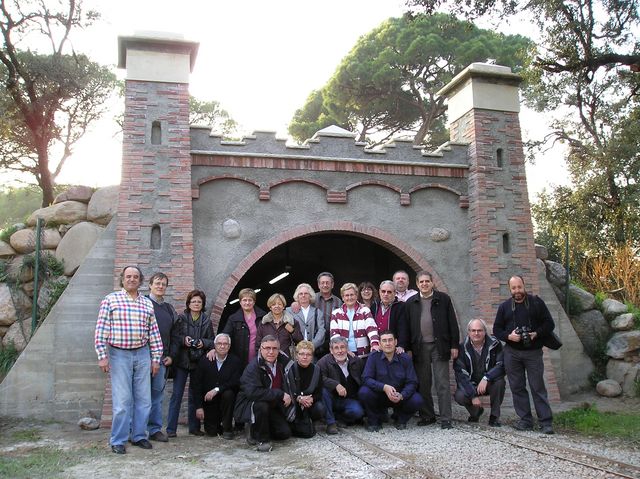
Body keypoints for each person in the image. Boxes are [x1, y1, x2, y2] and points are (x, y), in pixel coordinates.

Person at [94, 265, 162, 454]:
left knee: (144, 399)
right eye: (128, 276)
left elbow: (154, 333)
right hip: (119, 354)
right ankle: (118, 439)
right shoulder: (110, 300)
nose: (132, 279)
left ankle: (139, 435)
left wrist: (155, 359)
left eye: (136, 277)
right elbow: (101, 330)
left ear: (140, 281)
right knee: (123, 401)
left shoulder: (147, 303)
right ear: (122, 279)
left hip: (142, 354)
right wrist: (102, 356)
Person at [493, 275, 556, 434]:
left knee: (537, 387)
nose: (517, 291)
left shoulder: (536, 302)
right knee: (517, 387)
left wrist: (536, 333)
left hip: (533, 352)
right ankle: (525, 420)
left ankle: (546, 422)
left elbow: (550, 324)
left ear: (524, 286)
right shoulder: (504, 307)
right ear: (510, 289)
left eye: (519, 287)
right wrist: (509, 336)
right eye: (513, 288)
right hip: (512, 353)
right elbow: (496, 330)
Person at [405, 271, 460, 429]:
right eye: (421, 282)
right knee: (423, 383)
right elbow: (407, 328)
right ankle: (427, 415)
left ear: (432, 282)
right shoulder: (411, 302)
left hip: (439, 345)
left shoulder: (443, 299)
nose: (424, 284)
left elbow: (452, 323)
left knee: (442, 383)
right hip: (419, 347)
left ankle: (445, 418)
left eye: (427, 281)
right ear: (417, 284)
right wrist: (408, 348)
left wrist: (454, 344)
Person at [234, 335, 294, 452]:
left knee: (284, 433)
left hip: (274, 406)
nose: (271, 352)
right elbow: (253, 393)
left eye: (274, 348)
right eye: (267, 348)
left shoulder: (283, 363)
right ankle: (262, 439)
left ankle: (258, 428)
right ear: (260, 349)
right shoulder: (253, 367)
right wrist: (280, 394)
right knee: (262, 405)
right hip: (252, 405)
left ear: (279, 349)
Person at [167, 289, 214, 437]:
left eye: (199, 302)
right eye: (193, 301)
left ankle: (194, 427)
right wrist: (183, 340)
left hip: (198, 361)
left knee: (195, 395)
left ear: (203, 304)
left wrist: (202, 342)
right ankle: (171, 429)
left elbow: (212, 341)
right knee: (177, 395)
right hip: (182, 361)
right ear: (188, 303)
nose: (196, 304)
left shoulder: (206, 320)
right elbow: (175, 337)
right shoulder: (181, 318)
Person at [359, 330, 424, 431]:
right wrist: (384, 387)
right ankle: (374, 421)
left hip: (399, 396)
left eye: (390, 340)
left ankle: (401, 419)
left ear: (396, 342)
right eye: (384, 341)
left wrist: (402, 395)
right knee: (364, 392)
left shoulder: (405, 358)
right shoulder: (373, 357)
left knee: (417, 400)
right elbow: (366, 379)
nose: (388, 343)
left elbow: (412, 381)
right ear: (380, 344)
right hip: (379, 396)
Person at [146, 272, 180, 442]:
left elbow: (176, 335)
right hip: (142, 356)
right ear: (150, 285)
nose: (160, 286)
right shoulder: (142, 304)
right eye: (157, 283)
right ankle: (133, 430)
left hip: (162, 358)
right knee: (138, 394)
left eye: (163, 284)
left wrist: (172, 356)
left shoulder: (169, 309)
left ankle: (154, 429)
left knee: (156, 395)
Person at [454, 319, 506, 427]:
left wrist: (487, 378)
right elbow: (461, 375)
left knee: (500, 383)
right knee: (459, 396)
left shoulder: (495, 344)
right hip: (471, 384)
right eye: (473, 330)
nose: (476, 333)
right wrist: (473, 395)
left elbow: (501, 365)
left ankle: (494, 417)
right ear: (468, 332)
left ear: (485, 331)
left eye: (479, 330)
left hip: (489, 382)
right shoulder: (461, 348)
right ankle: (475, 412)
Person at [193, 333, 242, 439]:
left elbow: (235, 382)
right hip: (210, 402)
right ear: (214, 345)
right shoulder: (204, 361)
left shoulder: (235, 361)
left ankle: (227, 428)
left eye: (225, 344)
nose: (222, 346)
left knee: (228, 394)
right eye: (219, 343)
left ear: (229, 346)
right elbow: (197, 385)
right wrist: (199, 407)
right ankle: (217, 425)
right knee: (211, 432)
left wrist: (217, 389)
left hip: (227, 400)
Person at [317, 336, 365, 435]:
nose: (340, 351)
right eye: (336, 348)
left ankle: (340, 419)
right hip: (330, 399)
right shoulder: (323, 362)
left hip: (348, 399)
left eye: (342, 347)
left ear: (347, 348)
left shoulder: (356, 361)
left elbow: (363, 378)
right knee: (323, 391)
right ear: (331, 350)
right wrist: (335, 385)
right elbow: (318, 378)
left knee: (358, 412)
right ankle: (331, 423)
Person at [330, 283, 380, 359]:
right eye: (346, 295)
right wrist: (345, 350)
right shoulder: (336, 313)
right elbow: (334, 335)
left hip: (363, 353)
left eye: (352, 295)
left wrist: (375, 343)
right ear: (342, 297)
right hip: (343, 354)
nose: (349, 297)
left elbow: (371, 328)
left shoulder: (365, 311)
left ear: (356, 296)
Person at [286, 341, 325, 437]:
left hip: (310, 403)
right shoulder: (290, 369)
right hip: (294, 403)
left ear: (312, 356)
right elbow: (288, 390)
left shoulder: (317, 370)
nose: (305, 357)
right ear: (296, 355)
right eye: (302, 354)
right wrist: (299, 399)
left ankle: (310, 421)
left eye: (308, 354)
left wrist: (312, 399)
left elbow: (319, 392)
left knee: (320, 408)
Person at [221, 288, 266, 369]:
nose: (247, 303)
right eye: (244, 300)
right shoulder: (233, 318)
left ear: (254, 301)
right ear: (240, 302)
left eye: (250, 300)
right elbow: (225, 336)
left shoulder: (263, 317)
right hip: (239, 360)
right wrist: (214, 348)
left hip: (259, 358)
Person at [256, 293, 303, 358]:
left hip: (286, 359)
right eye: (273, 304)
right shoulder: (263, 323)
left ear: (283, 306)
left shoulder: (292, 322)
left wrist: (292, 331)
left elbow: (300, 341)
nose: (277, 306)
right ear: (270, 307)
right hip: (268, 358)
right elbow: (258, 344)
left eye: (279, 304)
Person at [369, 280, 410, 353]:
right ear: (379, 291)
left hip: (393, 348)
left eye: (389, 292)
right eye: (383, 291)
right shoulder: (374, 305)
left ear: (394, 293)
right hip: (377, 347)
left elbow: (403, 328)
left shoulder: (401, 306)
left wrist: (401, 345)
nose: (385, 294)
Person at [288, 283, 325, 359]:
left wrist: (312, 346)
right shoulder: (289, 311)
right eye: (300, 294)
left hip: (312, 353)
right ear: (297, 296)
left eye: (306, 293)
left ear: (310, 296)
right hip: (295, 352)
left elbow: (321, 331)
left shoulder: (317, 312)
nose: (303, 295)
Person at [315, 272, 343, 356]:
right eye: (322, 283)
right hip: (314, 340)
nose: (325, 285)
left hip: (332, 340)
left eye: (327, 283)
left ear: (332, 285)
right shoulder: (311, 299)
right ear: (318, 285)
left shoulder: (338, 302)